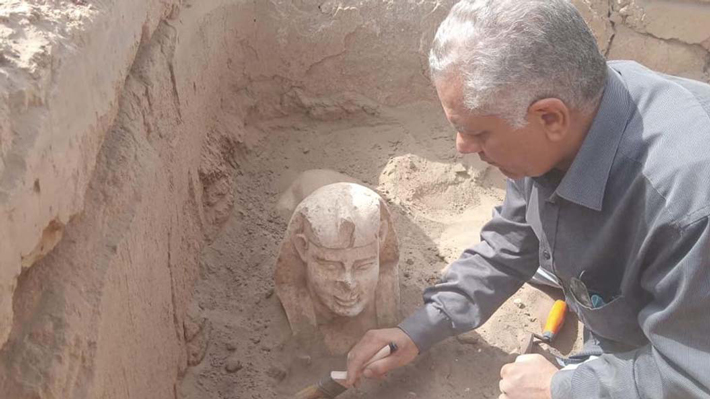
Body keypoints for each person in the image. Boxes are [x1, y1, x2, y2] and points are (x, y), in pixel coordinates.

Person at [344, 0, 710, 398]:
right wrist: (417, 328)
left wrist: (564, 386)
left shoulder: (686, 207)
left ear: (550, 118)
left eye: (479, 134)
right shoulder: (570, 115)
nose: (462, 146)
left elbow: (694, 377)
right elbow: (513, 239)